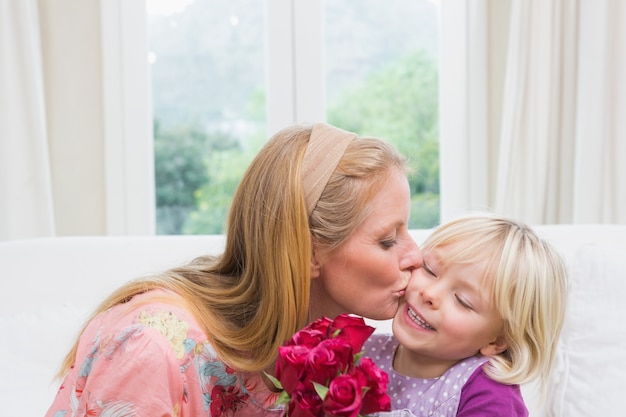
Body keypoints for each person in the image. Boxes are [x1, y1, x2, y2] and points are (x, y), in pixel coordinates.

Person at [44, 122, 423, 417]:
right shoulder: (150, 347)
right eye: (388, 240)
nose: (415, 257)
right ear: (309, 252)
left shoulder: (319, 350)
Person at [363, 213, 568, 417]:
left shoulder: (490, 395)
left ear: (497, 341)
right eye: (430, 270)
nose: (430, 294)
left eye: (462, 300)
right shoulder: (359, 351)